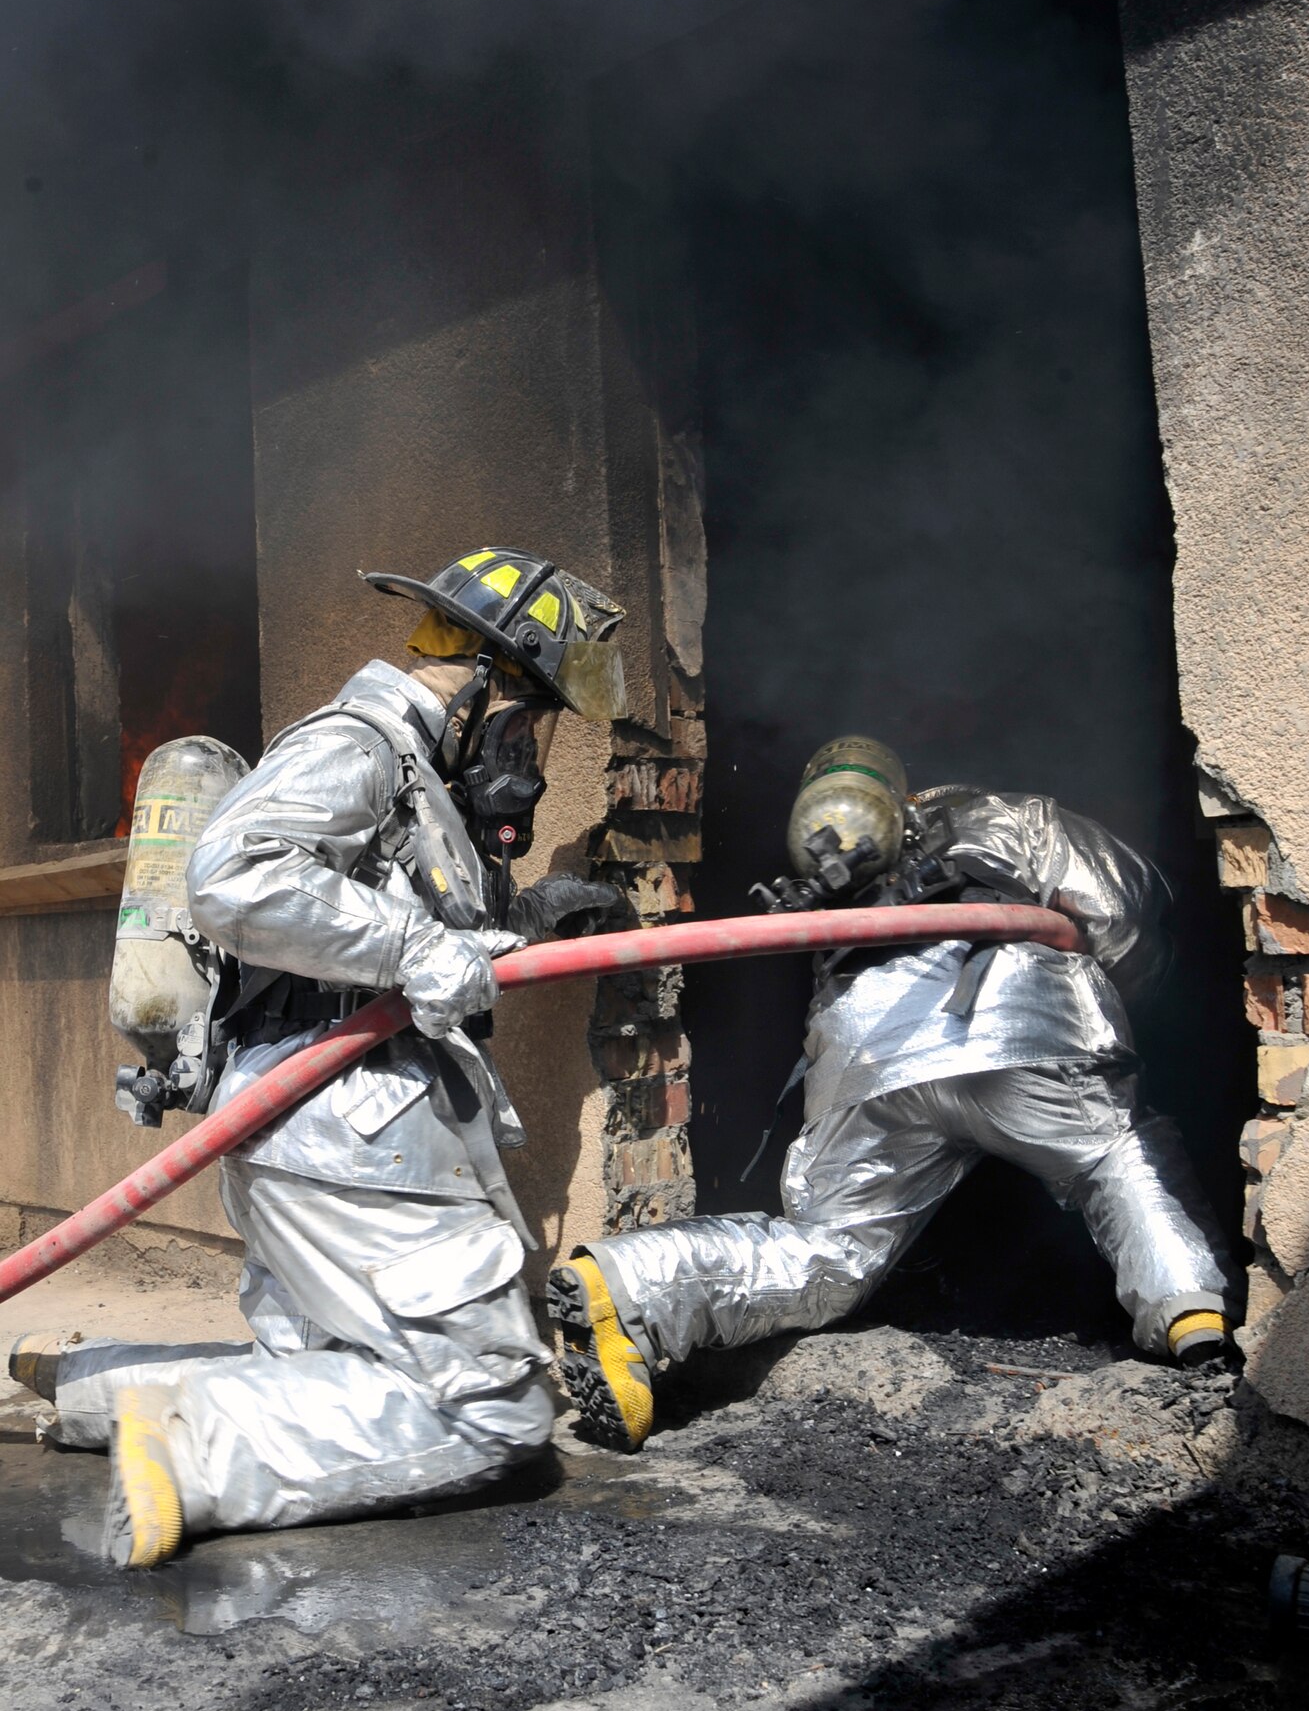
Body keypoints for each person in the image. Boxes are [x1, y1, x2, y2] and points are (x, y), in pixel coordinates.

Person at [10, 547, 627, 1567]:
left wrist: (521, 917)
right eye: (533, 711)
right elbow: (239, 877)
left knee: (332, 1372)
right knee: (495, 1408)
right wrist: (423, 946)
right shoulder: (362, 743)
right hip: (346, 1126)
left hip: (313, 1132)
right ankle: (191, 1446)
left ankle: (93, 1388)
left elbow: (374, 919)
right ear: (483, 682)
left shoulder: (421, 779)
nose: (533, 743)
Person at [548, 758, 1244, 1454]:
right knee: (1116, 1153)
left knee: (832, 1249)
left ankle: (627, 1287)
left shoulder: (839, 890)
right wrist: (1129, 997)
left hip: (868, 1058)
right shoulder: (1013, 815)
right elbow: (1116, 913)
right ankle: (1190, 1311)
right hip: (1019, 1020)